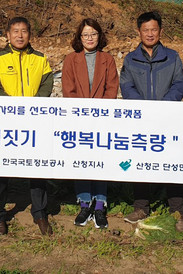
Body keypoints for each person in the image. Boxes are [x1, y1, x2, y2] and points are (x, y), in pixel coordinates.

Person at [120, 11, 183, 232]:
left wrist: (164, 106)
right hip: (141, 120)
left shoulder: (172, 57)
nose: (150, 34)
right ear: (139, 32)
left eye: (154, 29)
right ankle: (141, 207)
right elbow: (126, 86)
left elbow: (179, 84)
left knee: (172, 163)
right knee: (140, 162)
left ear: (161, 31)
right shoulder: (131, 59)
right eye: (145, 30)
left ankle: (177, 212)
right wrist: (143, 107)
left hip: (168, 118)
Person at [0, 16, 54, 236]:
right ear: (7, 35)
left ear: (29, 34)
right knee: (0, 169)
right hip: (6, 122)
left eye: (24, 31)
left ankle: (40, 213)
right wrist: (15, 111)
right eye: (15, 31)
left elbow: (47, 85)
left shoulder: (40, 59)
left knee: (37, 169)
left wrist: (34, 108)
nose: (19, 35)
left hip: (35, 122)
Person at [62, 18, 119, 229]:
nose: (89, 38)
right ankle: (84, 203)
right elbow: (68, 89)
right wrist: (83, 113)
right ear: (79, 37)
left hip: (102, 118)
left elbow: (112, 88)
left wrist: (100, 112)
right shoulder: (71, 59)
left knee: (101, 160)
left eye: (93, 34)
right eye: (85, 34)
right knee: (83, 159)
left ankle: (100, 205)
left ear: (99, 36)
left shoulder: (108, 59)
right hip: (79, 118)